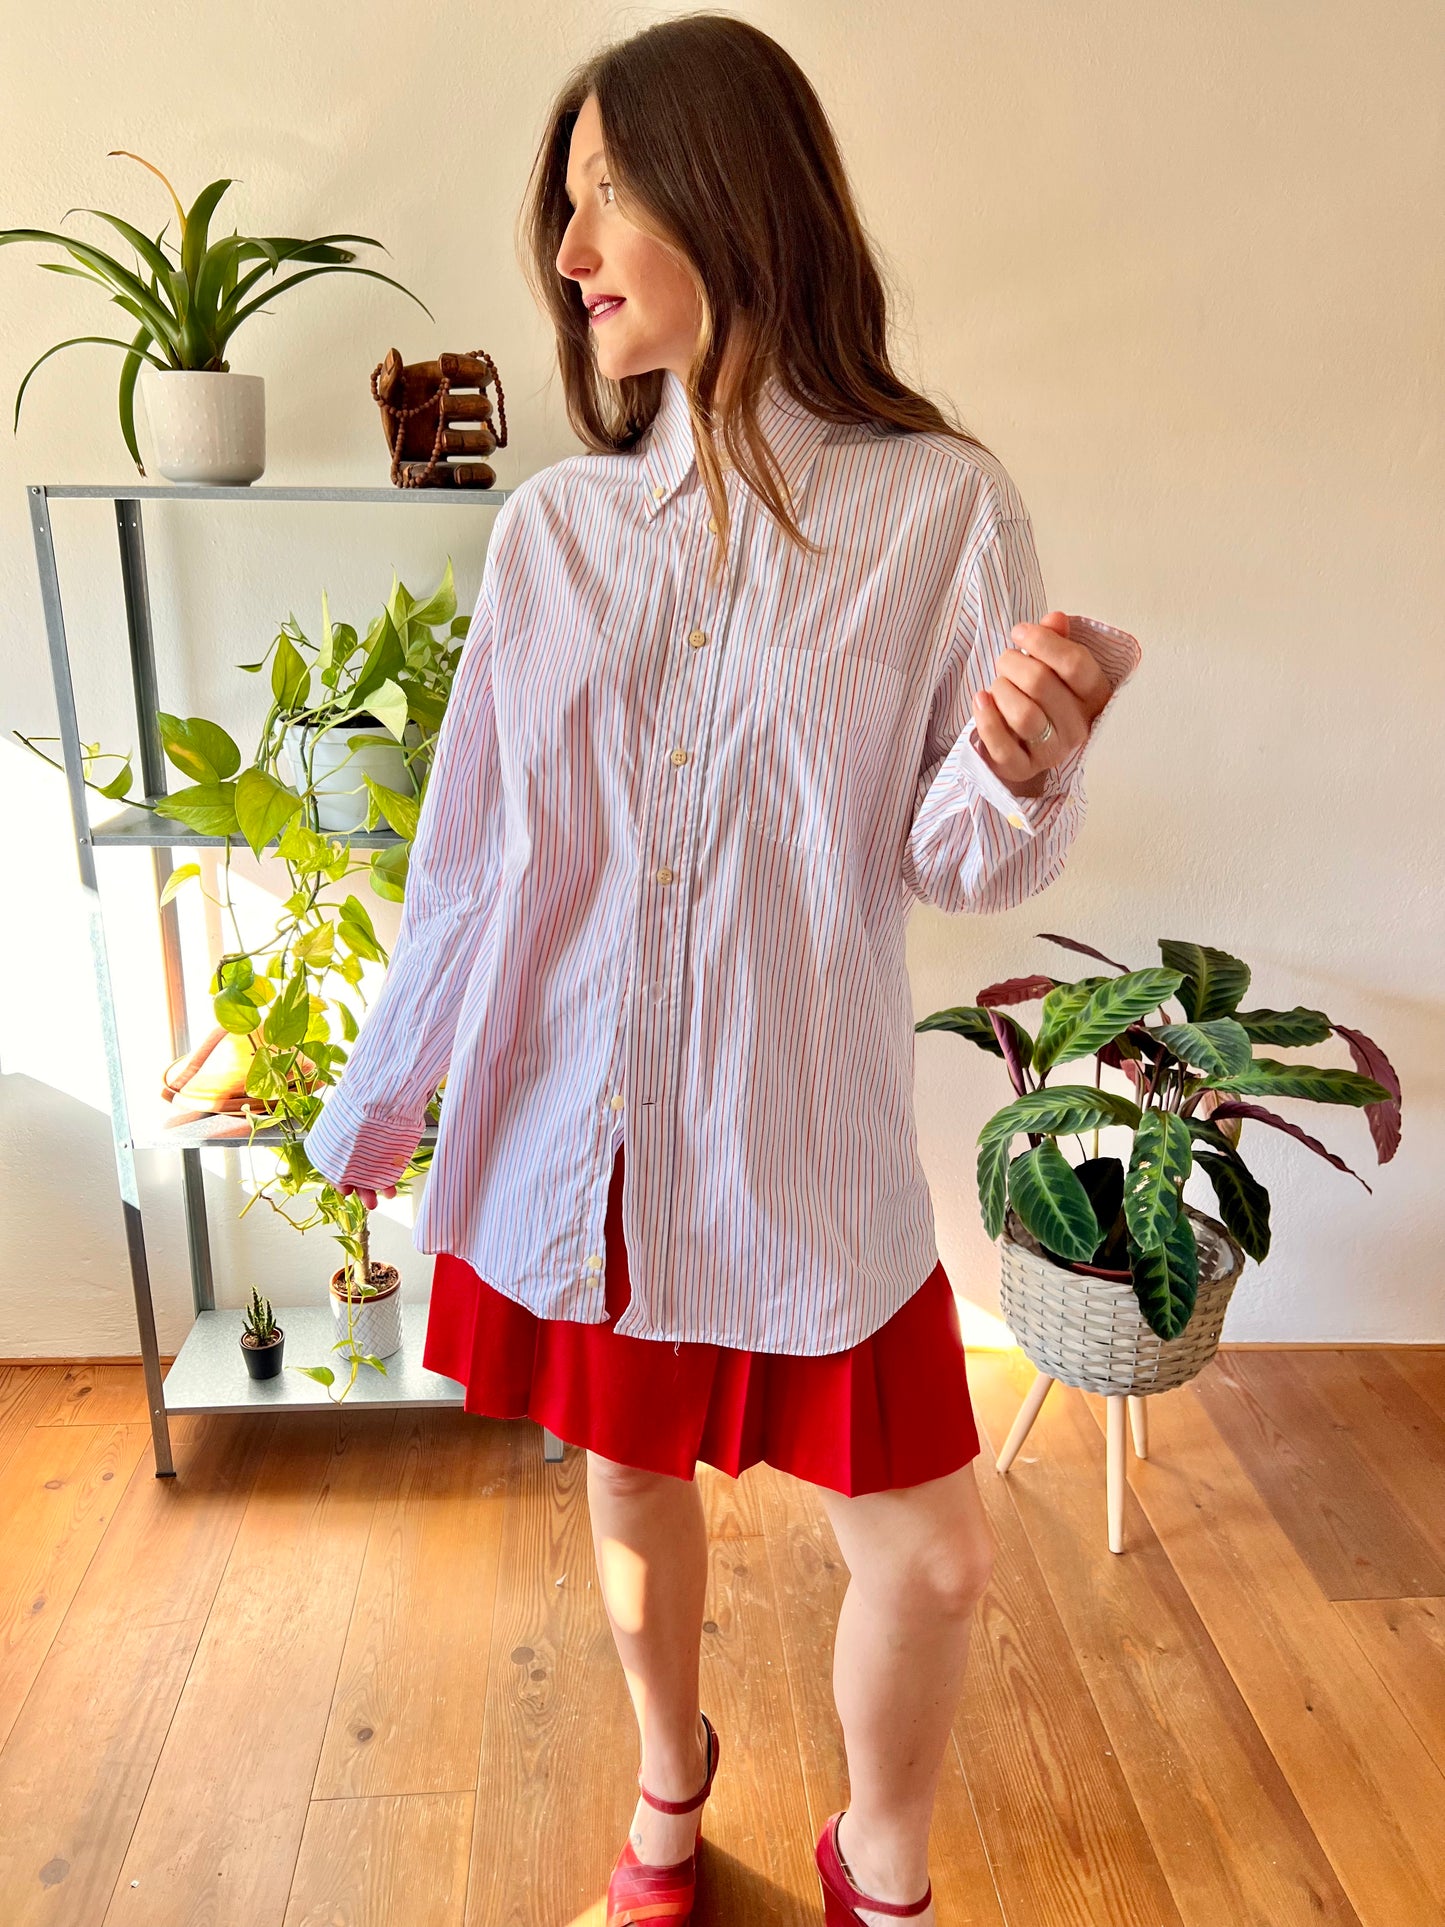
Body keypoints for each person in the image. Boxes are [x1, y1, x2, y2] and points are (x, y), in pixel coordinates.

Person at [304, 15, 1142, 1926]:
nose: (570, 242)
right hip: (585, 1137)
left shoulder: (938, 508)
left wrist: (1018, 761)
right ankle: (669, 1790)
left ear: (730, 190)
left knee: (927, 1560)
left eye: (609, 189)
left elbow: (944, 860)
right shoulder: (554, 538)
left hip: (800, 1149)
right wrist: (387, 1095)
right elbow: (473, 859)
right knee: (624, 1487)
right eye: (566, 199)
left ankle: (881, 1867)